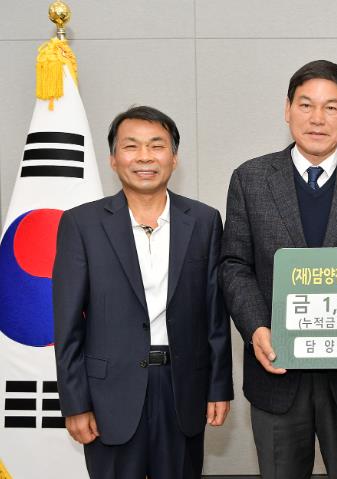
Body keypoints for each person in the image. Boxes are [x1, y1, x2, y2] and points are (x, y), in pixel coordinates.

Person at [219, 59, 337, 479]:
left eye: (331, 107)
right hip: (277, 373)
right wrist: (257, 328)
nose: (318, 118)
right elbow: (234, 265)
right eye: (306, 105)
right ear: (287, 109)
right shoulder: (250, 178)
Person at [53, 106, 233, 479]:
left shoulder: (203, 221)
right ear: (113, 159)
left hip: (181, 387)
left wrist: (219, 387)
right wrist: (75, 402)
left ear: (174, 157)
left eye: (157, 145)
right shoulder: (81, 224)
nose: (145, 157)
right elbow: (67, 325)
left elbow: (215, 315)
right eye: (131, 146)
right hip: (109, 394)